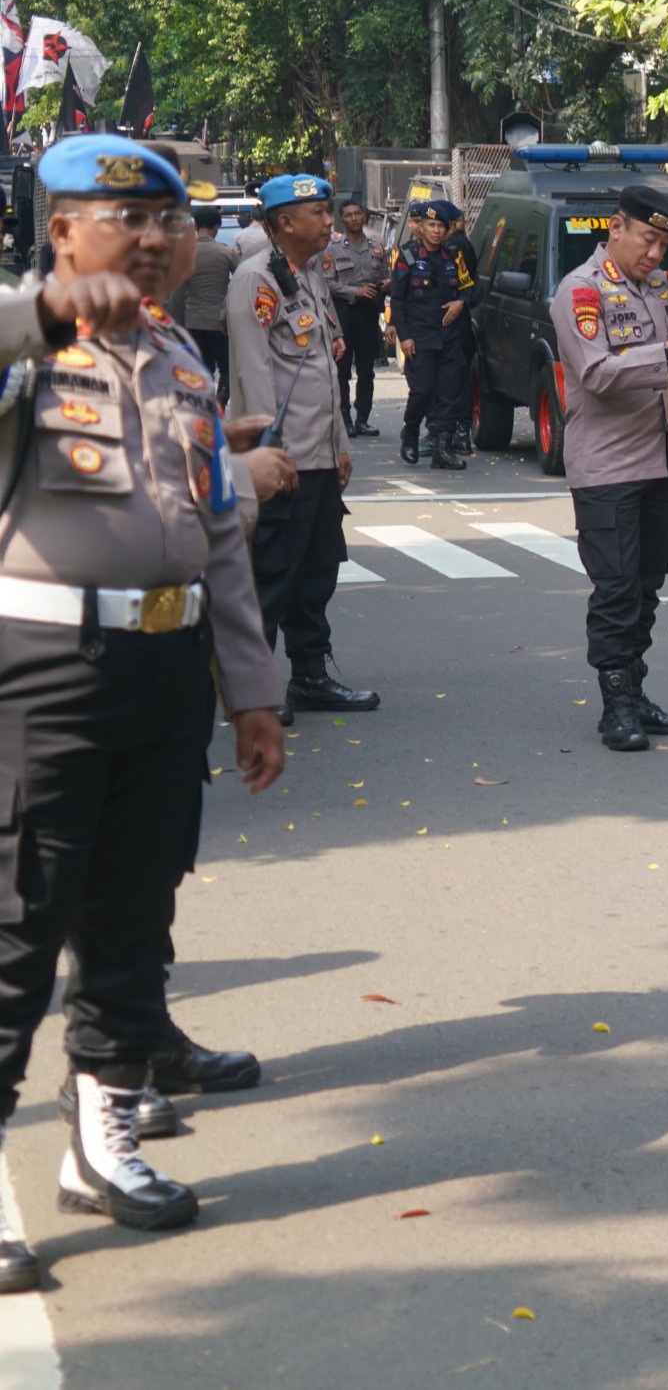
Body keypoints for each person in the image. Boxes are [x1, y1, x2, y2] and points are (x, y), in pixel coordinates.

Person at [0, 136, 287, 1285]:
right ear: (64, 229)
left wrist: (252, 694)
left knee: (130, 914)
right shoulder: (27, 346)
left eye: (171, 221)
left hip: (165, 670)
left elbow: (217, 534)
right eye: (128, 218)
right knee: (19, 923)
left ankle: (103, 1136)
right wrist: (43, 311)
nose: (159, 241)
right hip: (42, 670)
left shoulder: (177, 356)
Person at [552, 184, 668, 751]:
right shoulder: (582, 292)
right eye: (647, 239)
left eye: (663, 243)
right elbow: (596, 373)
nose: (655, 254)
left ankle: (635, 694)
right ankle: (615, 709)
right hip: (606, 471)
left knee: (647, 588)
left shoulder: (655, 283)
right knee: (615, 592)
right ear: (615, 228)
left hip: (657, 466)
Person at [229, 173, 376, 722]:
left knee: (316, 572)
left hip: (317, 455)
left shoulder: (309, 273)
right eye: (317, 212)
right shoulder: (256, 280)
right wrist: (268, 454)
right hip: (281, 459)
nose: (329, 221)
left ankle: (309, 677)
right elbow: (252, 373)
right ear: (284, 221)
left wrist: (339, 444)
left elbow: (320, 368)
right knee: (270, 575)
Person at [389, 199, 477, 470]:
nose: (436, 231)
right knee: (423, 390)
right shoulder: (407, 258)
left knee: (449, 394)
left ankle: (442, 449)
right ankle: (411, 433)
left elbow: (473, 289)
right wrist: (404, 336)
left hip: (450, 338)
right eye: (431, 225)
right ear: (421, 228)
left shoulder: (453, 256)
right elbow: (398, 300)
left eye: (441, 225)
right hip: (420, 336)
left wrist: (461, 302)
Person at [324, 199, 392, 437]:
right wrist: (354, 291)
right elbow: (326, 283)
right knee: (342, 370)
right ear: (342, 219)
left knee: (367, 369)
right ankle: (345, 419)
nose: (354, 218)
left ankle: (363, 417)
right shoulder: (333, 249)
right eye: (349, 215)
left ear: (364, 217)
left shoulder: (377, 248)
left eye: (357, 213)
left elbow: (386, 274)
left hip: (369, 313)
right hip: (343, 312)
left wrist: (386, 284)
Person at [175, 197, 237, 403]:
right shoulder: (226, 253)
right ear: (216, 227)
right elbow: (241, 281)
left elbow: (178, 291)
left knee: (202, 368)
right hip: (220, 322)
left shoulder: (185, 254)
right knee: (226, 369)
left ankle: (204, 405)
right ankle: (220, 403)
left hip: (193, 320)